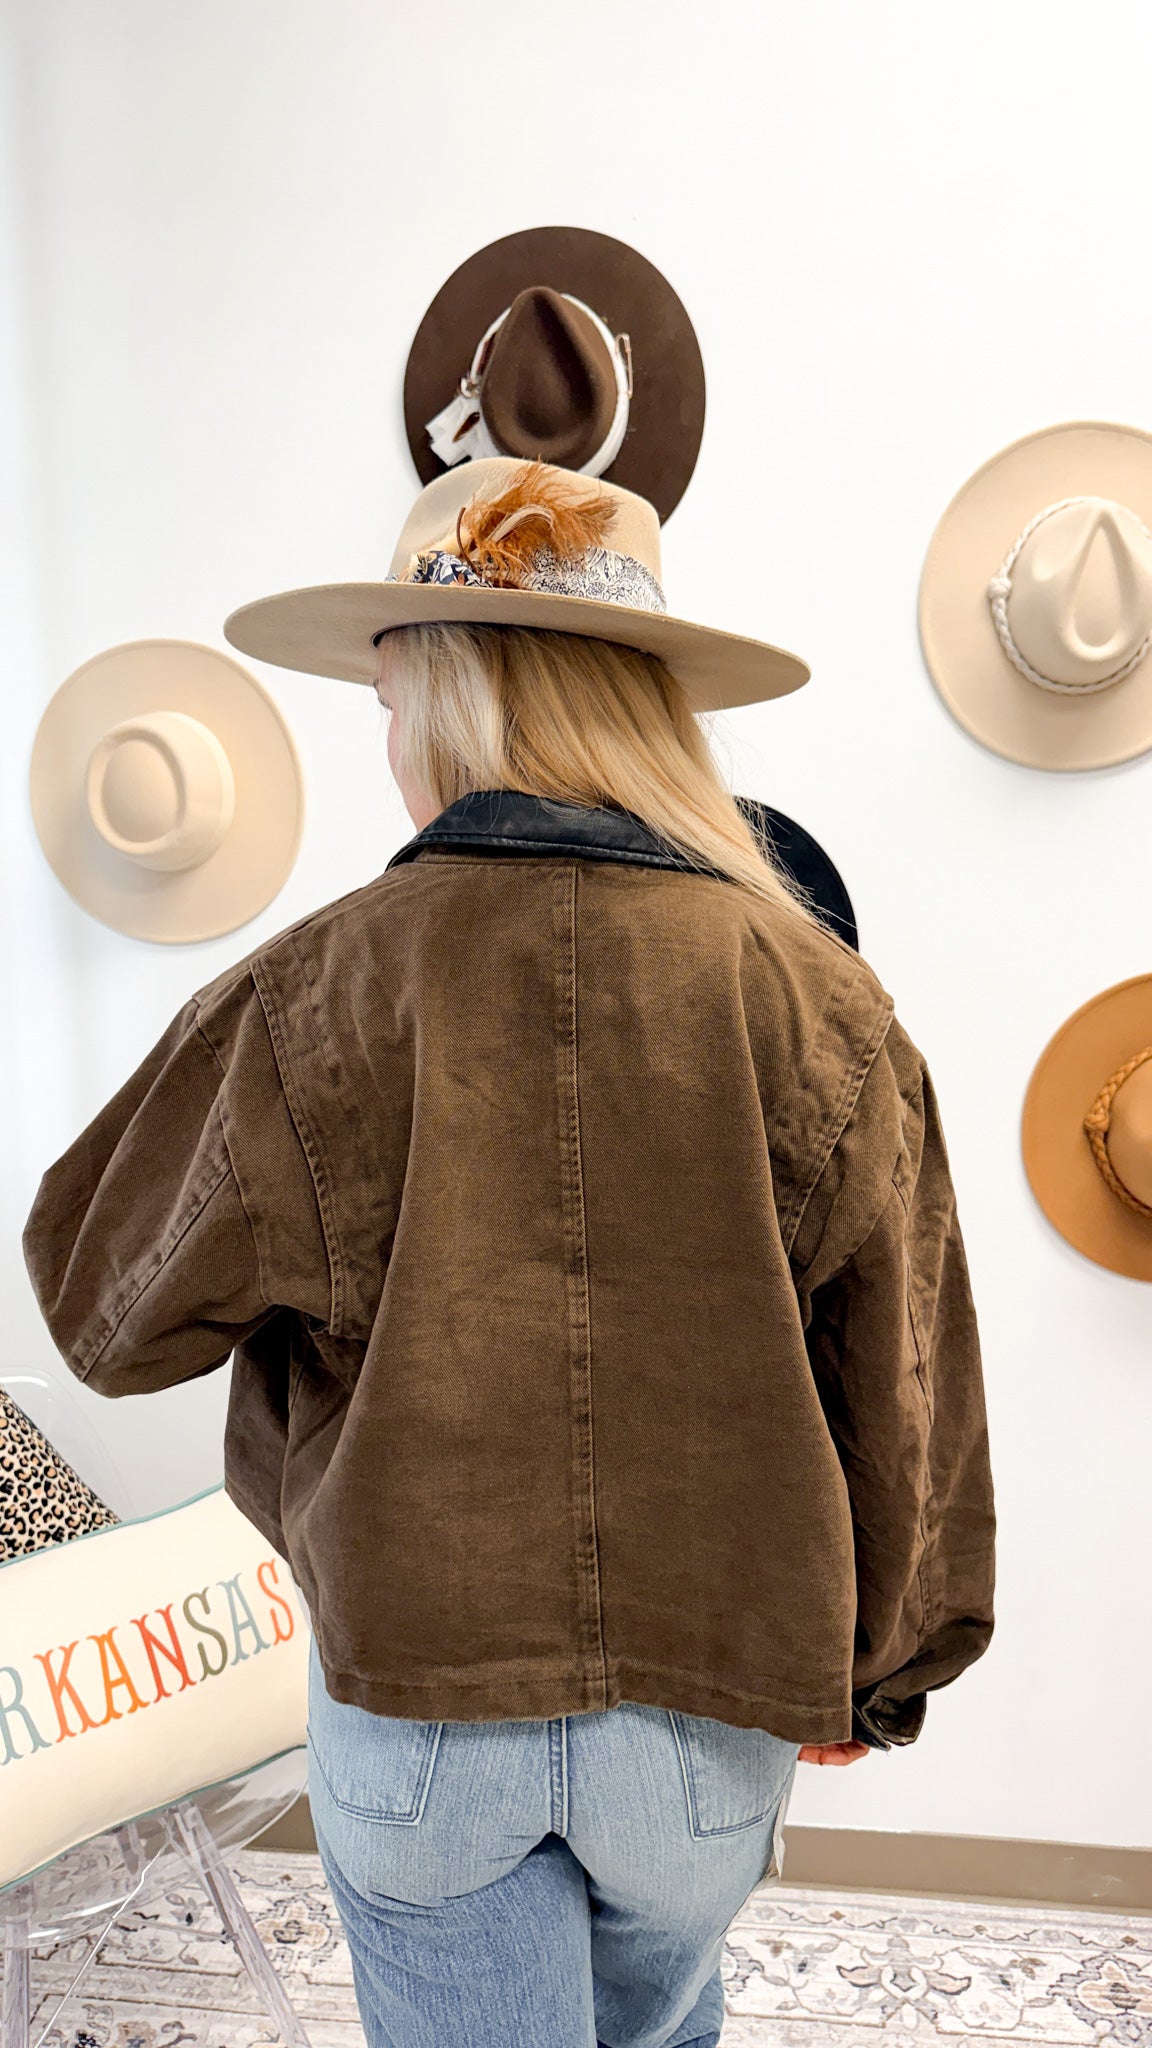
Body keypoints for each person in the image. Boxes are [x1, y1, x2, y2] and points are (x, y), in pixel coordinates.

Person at [23, 462, 995, 2048]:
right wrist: (879, 1670)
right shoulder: (820, 1000)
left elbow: (102, 1313)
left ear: (443, 696)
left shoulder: (316, 990)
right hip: (709, 1714)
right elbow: (908, 1385)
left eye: (387, 703)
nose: (389, 745)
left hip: (421, 1703)